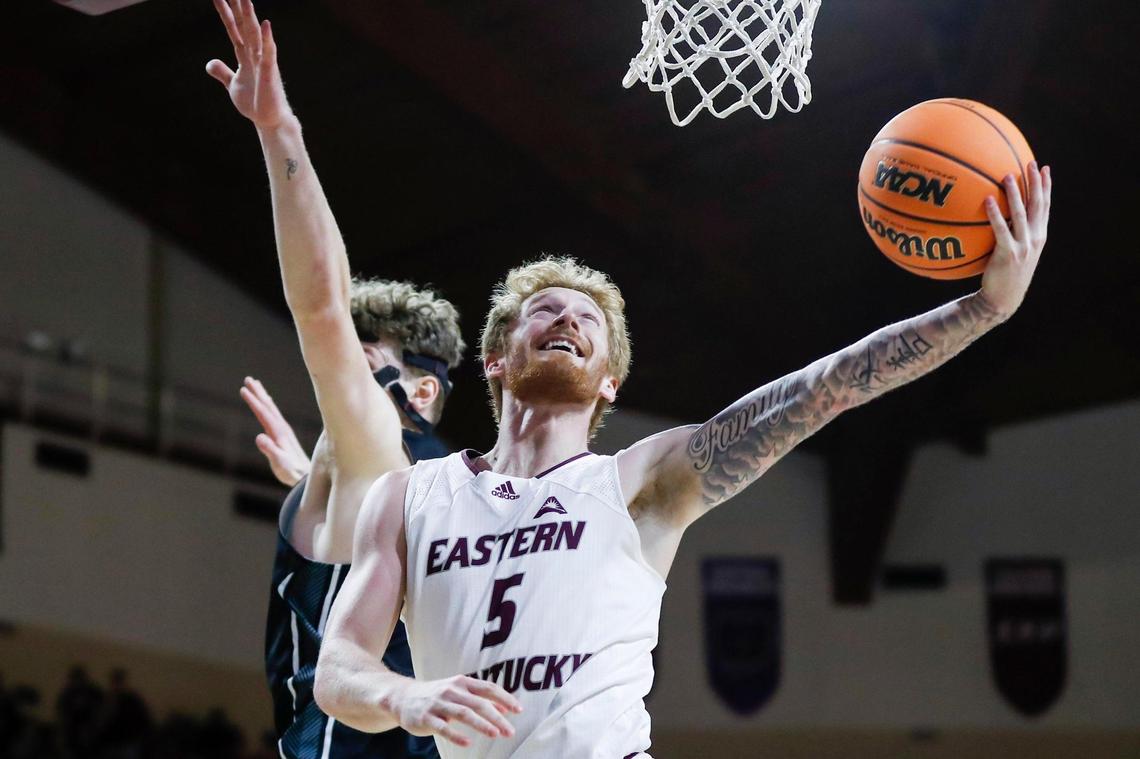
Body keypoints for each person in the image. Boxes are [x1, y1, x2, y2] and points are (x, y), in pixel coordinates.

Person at [206, 1, 1053, 757]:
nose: (568, 319)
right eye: (544, 311)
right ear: (496, 359)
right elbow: (339, 671)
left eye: (589, 320)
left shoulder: (641, 483)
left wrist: (983, 310)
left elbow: (823, 388)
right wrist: (407, 697)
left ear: (610, 382)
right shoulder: (409, 496)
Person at [205, 2, 464, 758]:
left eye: (365, 352)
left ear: (420, 390)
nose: (342, 360)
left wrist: (277, 127)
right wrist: (277, 129)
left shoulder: (386, 460)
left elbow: (322, 312)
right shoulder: (382, 475)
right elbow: (322, 310)